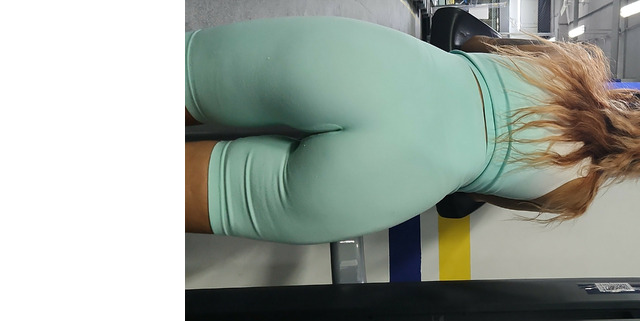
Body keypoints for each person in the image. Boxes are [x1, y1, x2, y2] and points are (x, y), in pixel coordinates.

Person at [185, 16, 639, 244]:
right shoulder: (574, 194)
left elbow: (476, 45)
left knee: (189, 82)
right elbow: (475, 192)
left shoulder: (570, 64)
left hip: (379, 69)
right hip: (396, 177)